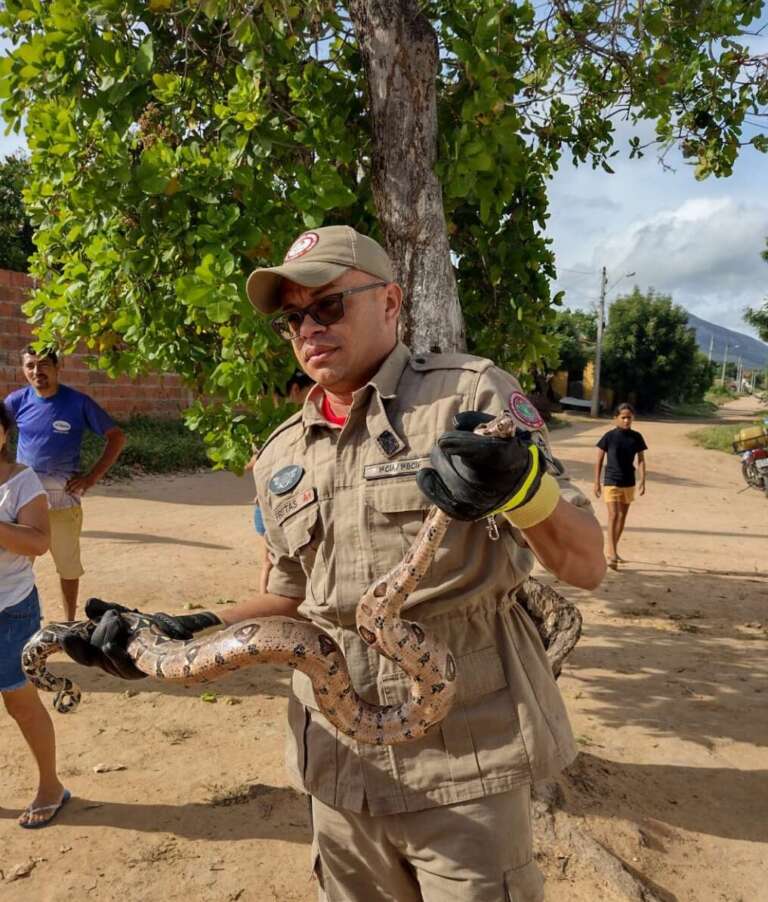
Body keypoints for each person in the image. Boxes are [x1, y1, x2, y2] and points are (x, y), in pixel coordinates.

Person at [61, 225, 606, 901]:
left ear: (390, 302)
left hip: (468, 769)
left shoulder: (469, 399)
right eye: (294, 318)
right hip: (340, 774)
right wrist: (179, 627)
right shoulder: (282, 453)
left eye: (328, 306)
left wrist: (523, 487)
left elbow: (585, 562)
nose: (308, 329)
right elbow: (291, 599)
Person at [4, 347, 126, 620]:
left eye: (44, 365)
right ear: (23, 369)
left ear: (59, 368)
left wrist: (91, 477)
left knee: (68, 568)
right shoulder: (16, 402)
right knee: (16, 567)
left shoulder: (78, 403)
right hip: (23, 505)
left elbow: (117, 436)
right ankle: (21, 621)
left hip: (63, 503)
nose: (37, 372)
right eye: (31, 366)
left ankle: (69, 623)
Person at [0, 401, 70, 828]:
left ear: (4, 433)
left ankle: (50, 786)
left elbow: (38, 542)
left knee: (20, 703)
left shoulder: (23, 483)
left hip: (10, 610)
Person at [247, 371, 314, 592]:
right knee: (273, 563)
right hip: (273, 502)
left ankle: (268, 598)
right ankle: (269, 599)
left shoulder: (293, 423)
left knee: (271, 562)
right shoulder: (290, 427)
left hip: (273, 503)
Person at [594, 402, 648, 569]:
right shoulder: (609, 437)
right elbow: (599, 459)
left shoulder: (637, 437)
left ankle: (613, 551)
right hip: (611, 481)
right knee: (613, 515)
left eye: (629, 418)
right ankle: (610, 553)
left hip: (629, 482)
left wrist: (643, 480)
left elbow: (641, 460)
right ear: (615, 418)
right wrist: (596, 481)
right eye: (623, 417)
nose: (626, 421)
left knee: (622, 517)